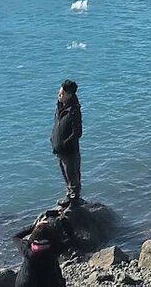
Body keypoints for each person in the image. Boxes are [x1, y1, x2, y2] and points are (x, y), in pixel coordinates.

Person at [51, 79, 83, 207]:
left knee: (72, 174)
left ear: (69, 95)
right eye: (59, 93)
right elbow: (57, 126)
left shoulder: (73, 111)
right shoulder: (60, 107)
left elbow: (77, 132)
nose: (59, 96)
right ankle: (69, 197)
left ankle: (74, 201)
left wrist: (65, 144)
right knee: (65, 174)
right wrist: (53, 140)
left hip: (69, 150)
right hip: (60, 148)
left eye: (62, 94)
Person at [14, 214, 69, 287]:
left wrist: (33, 227)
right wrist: (64, 221)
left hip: (26, 284)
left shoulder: (28, 249)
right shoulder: (54, 249)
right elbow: (71, 238)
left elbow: (15, 237)